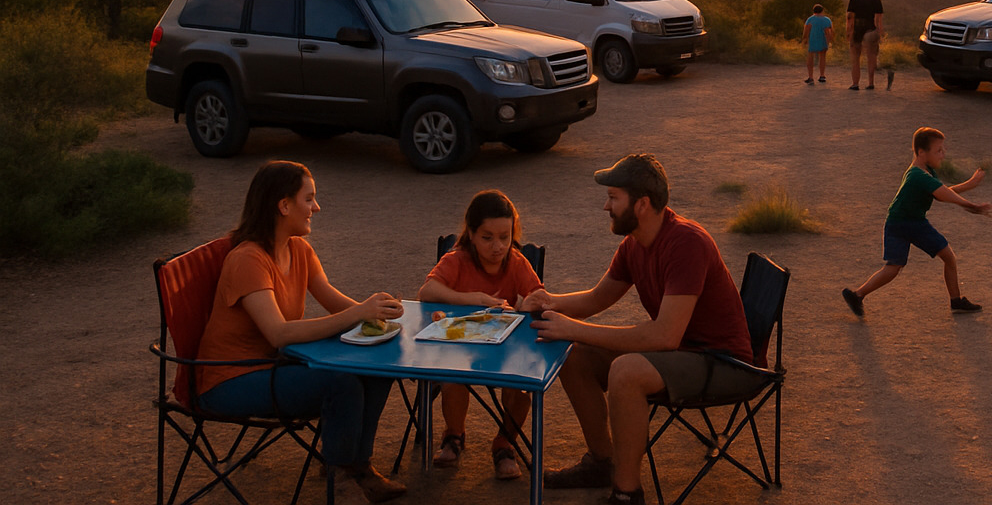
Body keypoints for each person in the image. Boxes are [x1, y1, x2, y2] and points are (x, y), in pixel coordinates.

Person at [521, 153, 759, 505]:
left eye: (614, 197)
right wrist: (548, 301)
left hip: (723, 362)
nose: (606, 206)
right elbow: (597, 298)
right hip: (683, 355)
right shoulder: (635, 244)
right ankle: (602, 462)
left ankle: (626, 492)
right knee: (574, 357)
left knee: (626, 372)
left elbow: (664, 337)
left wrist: (573, 329)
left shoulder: (686, 243)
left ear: (642, 204)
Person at [196, 161, 407, 503]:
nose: (316, 208)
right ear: (283, 205)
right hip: (229, 379)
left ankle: (358, 467)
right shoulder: (248, 259)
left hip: (273, 368)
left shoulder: (299, 250)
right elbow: (278, 333)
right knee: (340, 383)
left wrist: (381, 316)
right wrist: (359, 312)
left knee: (374, 370)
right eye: (309, 199)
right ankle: (339, 480)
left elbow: (336, 304)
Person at [419, 190, 543, 480]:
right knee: (453, 376)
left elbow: (538, 295)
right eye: (487, 238)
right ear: (471, 234)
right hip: (461, 345)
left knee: (522, 387)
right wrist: (475, 297)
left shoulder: (516, 261)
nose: (497, 246)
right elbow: (427, 291)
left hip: (505, 348)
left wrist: (528, 304)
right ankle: (454, 434)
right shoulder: (457, 259)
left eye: (505, 236)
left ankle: (504, 443)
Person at [841, 127, 991, 316]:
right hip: (905, 224)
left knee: (904, 264)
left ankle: (858, 295)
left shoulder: (924, 171)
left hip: (904, 222)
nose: (943, 154)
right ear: (921, 152)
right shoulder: (918, 175)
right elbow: (943, 195)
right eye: (939, 150)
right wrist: (971, 205)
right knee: (902, 265)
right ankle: (858, 295)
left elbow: (941, 191)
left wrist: (969, 186)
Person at [846, 0, 884, 90]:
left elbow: (849, 18)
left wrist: (849, 31)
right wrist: (879, 32)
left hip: (857, 29)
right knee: (871, 57)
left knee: (855, 58)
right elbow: (878, 20)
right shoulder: (876, 0)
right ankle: (871, 83)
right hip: (871, 29)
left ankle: (855, 84)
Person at [802, 3, 833, 84]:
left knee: (810, 58)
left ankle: (811, 77)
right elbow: (829, 31)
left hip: (812, 40)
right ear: (822, 10)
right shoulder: (827, 20)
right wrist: (830, 40)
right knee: (822, 57)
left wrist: (804, 39)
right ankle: (822, 76)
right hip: (823, 41)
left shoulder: (810, 19)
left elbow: (806, 30)